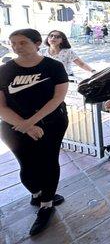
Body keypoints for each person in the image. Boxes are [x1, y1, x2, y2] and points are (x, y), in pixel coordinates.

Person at [0, 29, 69, 236]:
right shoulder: (4, 70)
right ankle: (37, 193)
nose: (16, 47)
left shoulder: (53, 66)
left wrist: (32, 122)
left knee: (48, 162)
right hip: (14, 126)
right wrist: (26, 125)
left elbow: (57, 98)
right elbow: (1, 106)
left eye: (22, 42)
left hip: (52, 122)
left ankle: (46, 205)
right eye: (13, 43)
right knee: (27, 166)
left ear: (37, 43)